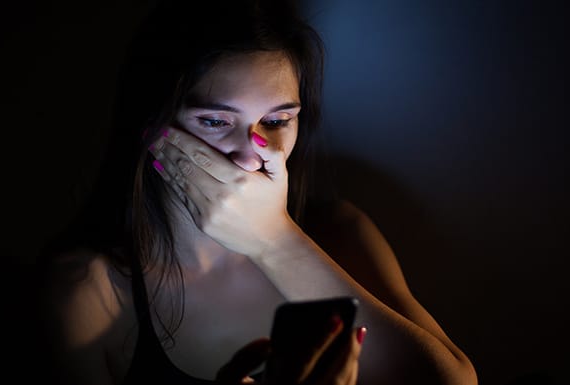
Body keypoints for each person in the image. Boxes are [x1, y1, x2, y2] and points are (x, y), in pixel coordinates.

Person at [39, 1, 478, 384]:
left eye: (276, 121)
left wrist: (274, 240)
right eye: (214, 121)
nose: (252, 157)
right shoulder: (88, 292)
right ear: (151, 125)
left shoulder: (341, 232)